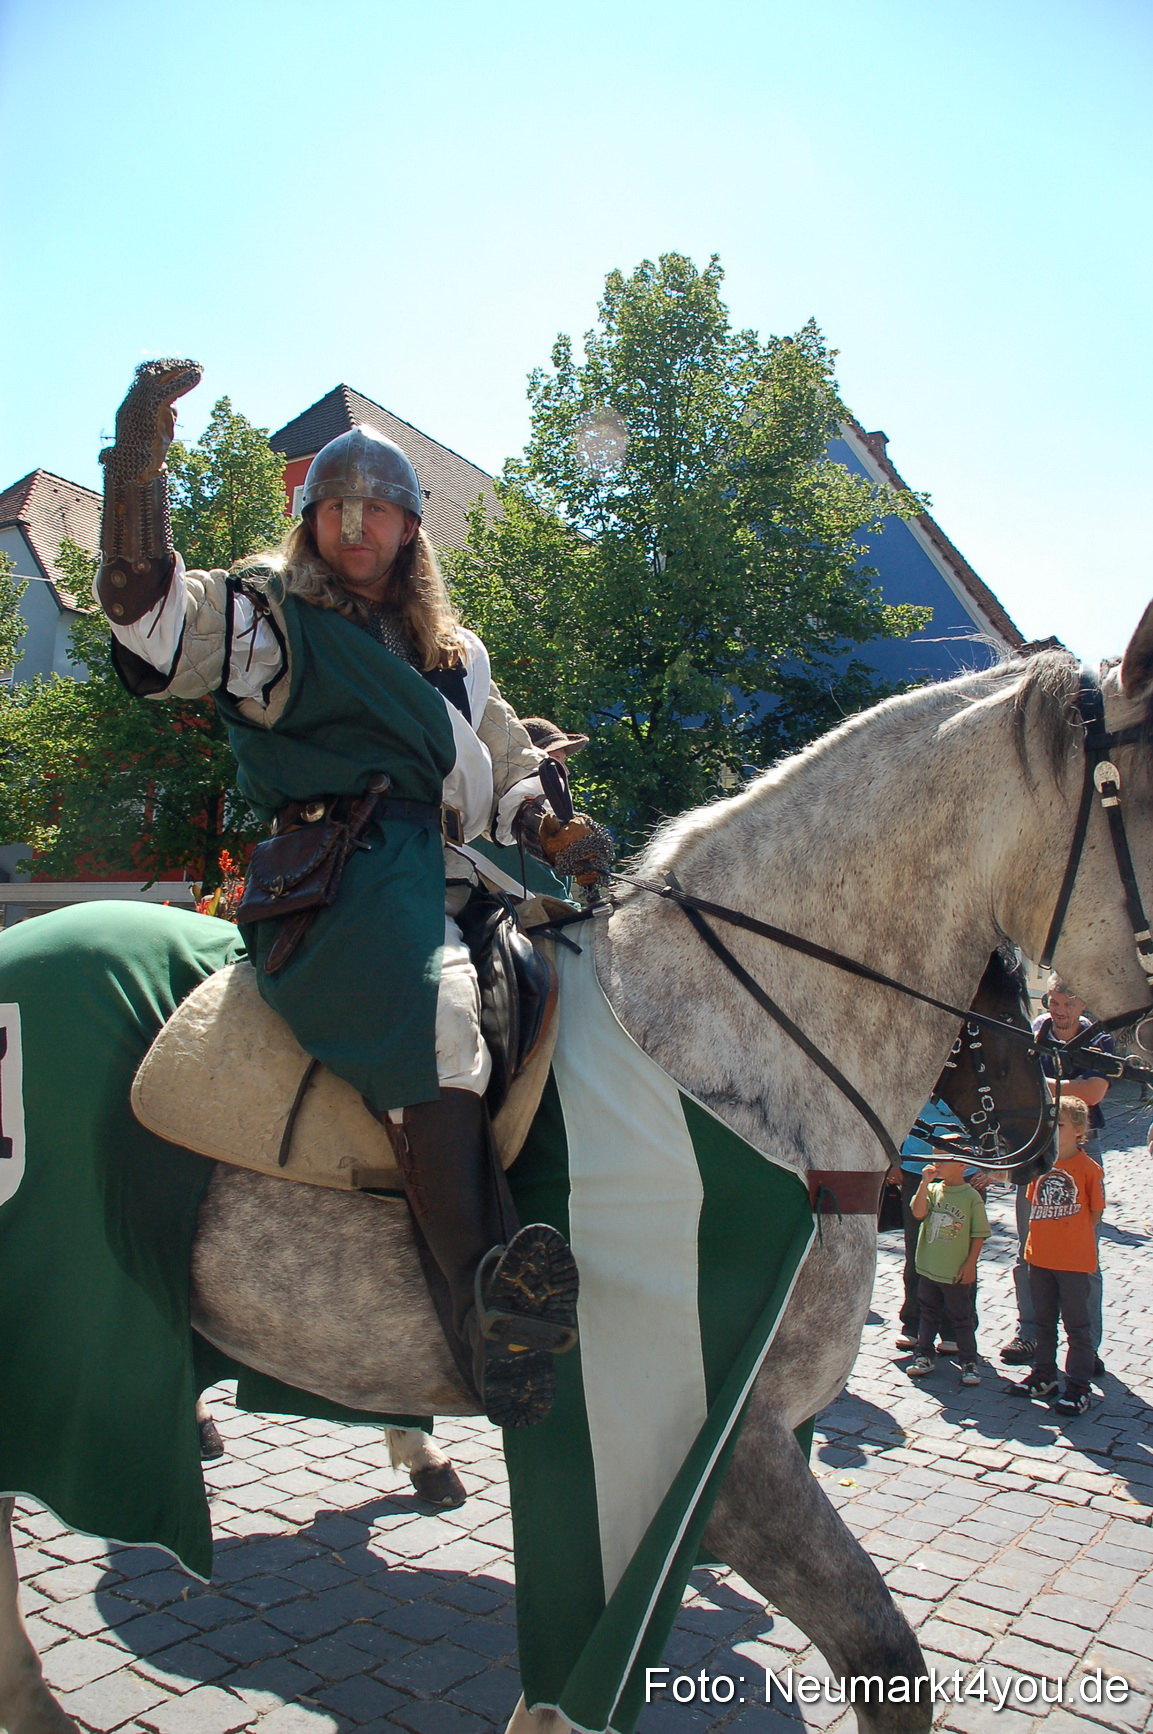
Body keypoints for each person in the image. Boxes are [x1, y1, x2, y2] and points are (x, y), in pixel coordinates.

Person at [93, 361, 613, 1429]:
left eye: (377, 508)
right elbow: (155, 619)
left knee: (566, 983)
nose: (355, 524)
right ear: (310, 520)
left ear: (412, 532)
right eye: (336, 507)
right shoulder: (271, 622)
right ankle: (488, 1320)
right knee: (439, 1023)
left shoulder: (455, 658)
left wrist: (553, 826)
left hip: (448, 881)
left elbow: (506, 763)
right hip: (338, 890)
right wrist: (137, 474)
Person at [1000, 974, 1112, 1369]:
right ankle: (1030, 1333)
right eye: (1053, 1002)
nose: (1059, 1011)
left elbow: (1095, 1093)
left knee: (1084, 1253)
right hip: (1036, 1147)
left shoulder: (1099, 1038)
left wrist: (1041, 1084)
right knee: (1029, 1245)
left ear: (1083, 1005)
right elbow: (1015, 1080)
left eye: (1067, 1003)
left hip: (1082, 1147)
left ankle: (1087, 1345)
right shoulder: (1035, 1031)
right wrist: (1070, 1084)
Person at [1010, 1095, 1105, 1416]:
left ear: (1079, 1130)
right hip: (1040, 1259)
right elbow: (1032, 1204)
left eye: (1059, 1124)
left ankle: (1078, 1385)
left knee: (1078, 1327)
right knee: (1044, 1322)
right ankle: (1044, 1374)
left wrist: (1070, 1240)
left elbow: (1093, 1214)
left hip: (1074, 1263)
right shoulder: (1040, 1165)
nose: (1051, 1130)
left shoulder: (1088, 1169)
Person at [892, 1104, 975, 1353]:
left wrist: (986, 1169)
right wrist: (894, 1159)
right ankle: (913, 1323)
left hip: (963, 1172)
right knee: (916, 1250)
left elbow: (992, 1122)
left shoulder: (969, 1073)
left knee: (960, 1254)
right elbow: (895, 1117)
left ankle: (956, 1329)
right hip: (918, 1168)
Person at [905, 1153, 990, 1386]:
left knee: (961, 1317)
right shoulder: (933, 1190)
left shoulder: (971, 1196)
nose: (937, 1162)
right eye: (935, 1156)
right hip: (929, 1267)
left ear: (963, 1165)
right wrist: (924, 1183)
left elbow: (979, 1233)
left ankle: (969, 1362)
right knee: (927, 1314)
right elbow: (918, 1212)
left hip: (954, 1271)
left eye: (944, 1158)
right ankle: (923, 1355)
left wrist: (970, 1263)